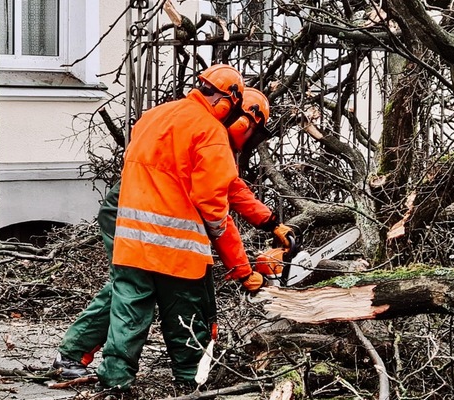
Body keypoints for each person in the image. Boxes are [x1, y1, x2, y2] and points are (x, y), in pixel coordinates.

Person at [52, 66, 292, 389]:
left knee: (130, 291)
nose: (248, 141)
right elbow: (215, 213)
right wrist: (242, 270)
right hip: (158, 229)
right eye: (251, 132)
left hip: (131, 221)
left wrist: (271, 223)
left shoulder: (160, 115)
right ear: (235, 113)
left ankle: (105, 375)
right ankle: (188, 377)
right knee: (169, 302)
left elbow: (231, 188)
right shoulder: (211, 133)